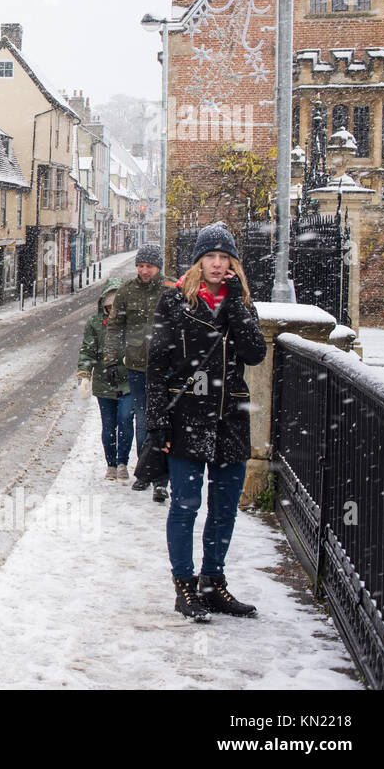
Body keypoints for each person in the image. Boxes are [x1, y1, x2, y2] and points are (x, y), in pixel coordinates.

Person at [141, 222, 266, 621]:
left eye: (223, 257)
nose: (216, 263)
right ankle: (184, 587)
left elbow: (255, 353)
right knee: (186, 505)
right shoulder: (175, 302)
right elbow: (157, 365)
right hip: (187, 417)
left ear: (232, 263)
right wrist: (158, 423)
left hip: (231, 416)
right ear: (198, 261)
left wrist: (236, 308)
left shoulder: (242, 302)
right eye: (209, 256)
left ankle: (214, 584)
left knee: (225, 506)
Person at [104, 242, 172, 501]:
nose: (145, 271)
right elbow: (115, 327)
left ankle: (162, 479)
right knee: (142, 422)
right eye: (141, 266)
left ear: (158, 267)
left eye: (150, 266)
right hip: (137, 366)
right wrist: (111, 360)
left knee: (163, 422)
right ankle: (145, 472)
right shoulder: (126, 291)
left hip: (165, 368)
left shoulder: (170, 290)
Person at [78, 279, 133, 480]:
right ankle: (110, 464)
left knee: (126, 420)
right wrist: (84, 373)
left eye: (116, 306)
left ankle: (122, 462)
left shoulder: (132, 320)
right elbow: (88, 349)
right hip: (104, 381)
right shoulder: (95, 323)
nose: (112, 311)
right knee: (109, 425)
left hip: (129, 381)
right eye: (109, 306)